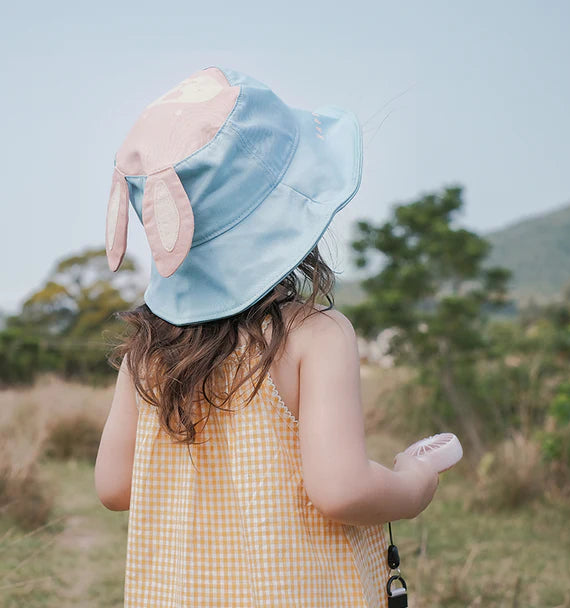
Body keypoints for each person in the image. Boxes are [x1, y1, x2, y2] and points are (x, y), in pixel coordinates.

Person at [94, 65, 439, 607]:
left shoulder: (146, 354)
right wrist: (413, 484)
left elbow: (114, 488)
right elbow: (342, 489)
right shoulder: (314, 336)